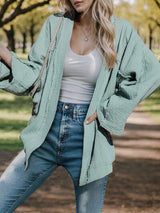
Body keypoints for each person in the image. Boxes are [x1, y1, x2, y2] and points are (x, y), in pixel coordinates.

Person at [0, 0, 160, 212]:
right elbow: (34, 78)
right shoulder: (54, 25)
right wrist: (5, 54)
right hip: (45, 132)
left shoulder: (120, 31)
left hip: (89, 137)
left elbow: (151, 73)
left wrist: (108, 110)